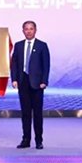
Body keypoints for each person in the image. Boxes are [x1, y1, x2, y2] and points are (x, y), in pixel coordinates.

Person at [10, 21, 50, 149]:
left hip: (37, 84)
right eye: (26, 29)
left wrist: (44, 81)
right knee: (25, 113)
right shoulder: (18, 45)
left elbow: (46, 65)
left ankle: (39, 140)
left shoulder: (42, 45)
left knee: (37, 113)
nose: (28, 31)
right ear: (23, 31)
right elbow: (14, 64)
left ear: (35, 30)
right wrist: (14, 79)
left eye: (31, 29)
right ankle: (26, 139)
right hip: (23, 82)